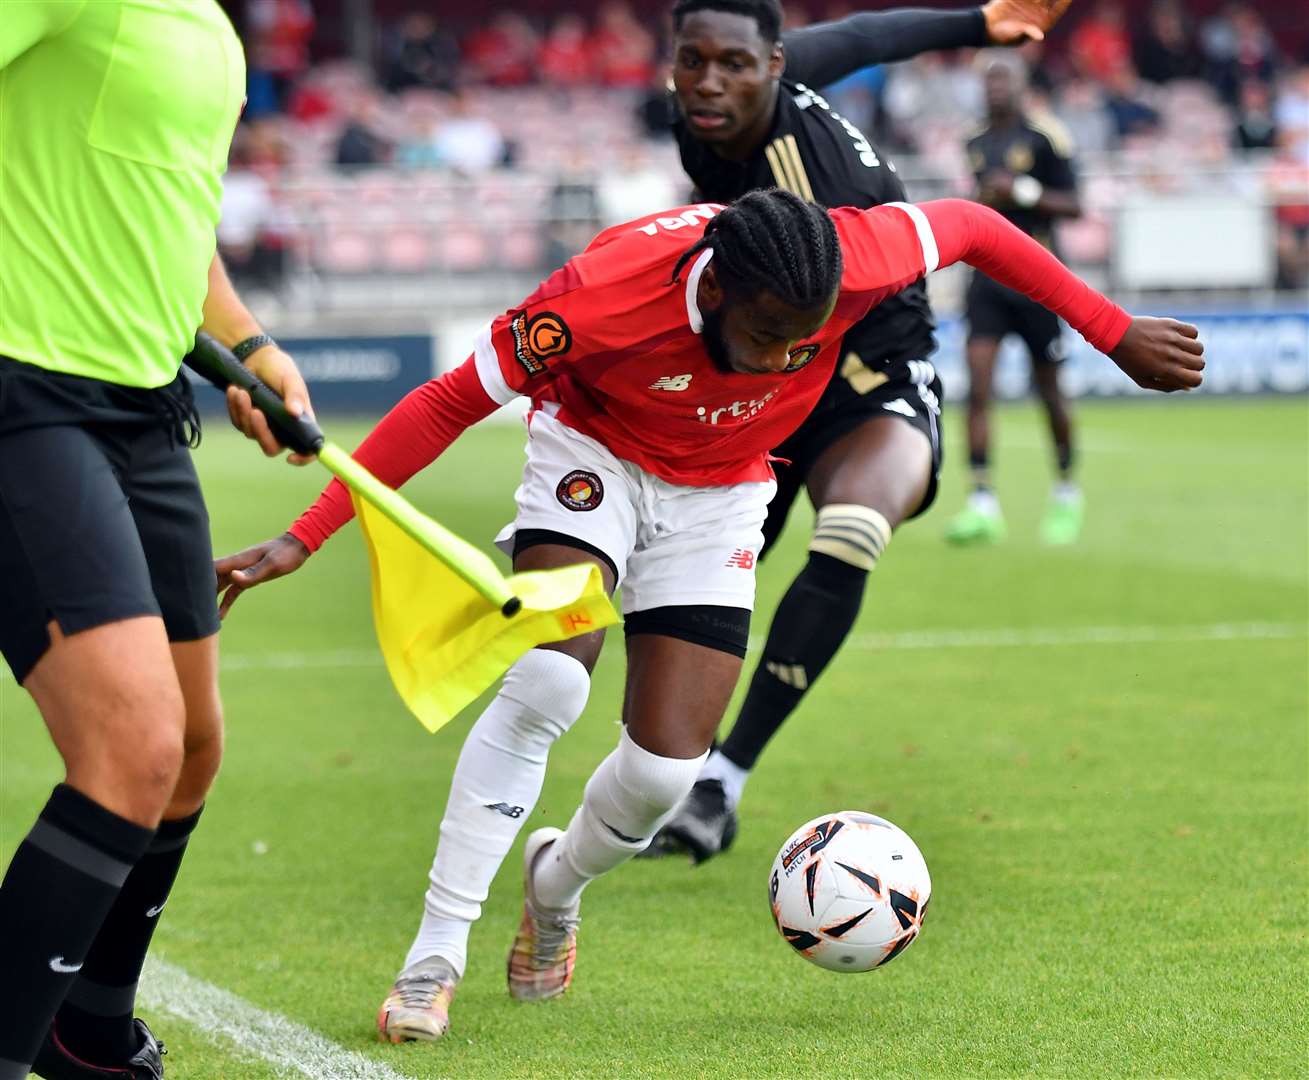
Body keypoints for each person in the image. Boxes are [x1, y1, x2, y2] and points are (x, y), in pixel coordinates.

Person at [214, 188, 1204, 1042]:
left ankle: (553, 888)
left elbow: (982, 228)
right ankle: (433, 956)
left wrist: (1114, 333)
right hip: (591, 459)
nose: (783, 356)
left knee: (662, 776)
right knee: (552, 677)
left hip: (725, 488)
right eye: (769, 334)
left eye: (804, 337)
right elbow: (441, 404)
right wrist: (306, 535)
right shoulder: (600, 299)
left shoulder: (849, 257)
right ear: (717, 289)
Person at [645, 0, 1073, 861]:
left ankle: (720, 783)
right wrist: (978, 20)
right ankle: (653, 771)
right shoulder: (732, 85)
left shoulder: (819, 187)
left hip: (871, 368)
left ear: (768, 66)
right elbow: (869, 36)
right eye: (694, 61)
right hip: (772, 360)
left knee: (847, 532)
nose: (710, 81)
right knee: (691, 571)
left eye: (732, 65)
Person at [0, 5, 313, 1078]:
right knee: (128, 750)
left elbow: (175, 222)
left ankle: (84, 1032)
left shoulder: (210, 27)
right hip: (22, 396)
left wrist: (252, 344)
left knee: (186, 751)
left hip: (142, 409)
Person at [944, 55, 1084, 547]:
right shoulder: (974, 140)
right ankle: (982, 502)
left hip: (1039, 279)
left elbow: (1075, 204)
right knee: (977, 388)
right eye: (989, 80)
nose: (995, 88)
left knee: (1049, 390)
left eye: (1004, 78)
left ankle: (1067, 492)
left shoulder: (1048, 136)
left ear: (1023, 84)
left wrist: (1022, 190)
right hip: (987, 280)